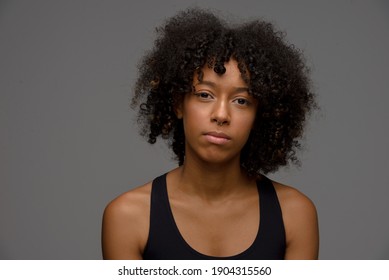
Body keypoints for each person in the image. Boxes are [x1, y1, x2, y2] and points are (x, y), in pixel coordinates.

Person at [102, 8, 319, 260]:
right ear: (178, 104)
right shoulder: (128, 216)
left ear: (259, 116)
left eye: (241, 101)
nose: (221, 115)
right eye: (205, 95)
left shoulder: (294, 214)